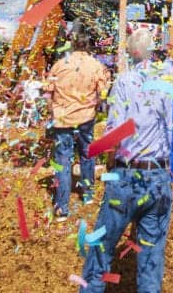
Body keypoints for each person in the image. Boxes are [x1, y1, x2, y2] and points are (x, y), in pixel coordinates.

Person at [79, 27, 173, 293]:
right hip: (159, 175)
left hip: (128, 175)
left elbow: (115, 134)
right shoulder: (167, 81)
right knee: (152, 255)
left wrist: (108, 161)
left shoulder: (124, 81)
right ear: (151, 52)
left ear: (130, 53)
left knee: (102, 245)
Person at [47, 22, 108, 218]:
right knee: (87, 154)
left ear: (72, 45)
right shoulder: (96, 66)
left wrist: (52, 112)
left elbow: (48, 92)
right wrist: (94, 102)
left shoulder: (59, 65)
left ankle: (62, 208)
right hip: (85, 117)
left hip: (62, 118)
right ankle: (88, 194)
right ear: (88, 46)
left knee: (63, 160)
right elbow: (104, 93)